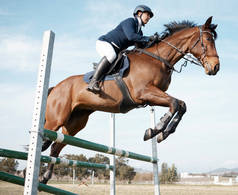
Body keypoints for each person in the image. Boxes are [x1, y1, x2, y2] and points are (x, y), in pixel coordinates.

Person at [87, 5, 155, 93]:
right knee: (111, 55)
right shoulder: (130, 21)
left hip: (116, 49)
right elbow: (131, 36)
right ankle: (93, 82)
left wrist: (154, 41)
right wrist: (148, 38)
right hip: (105, 43)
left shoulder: (140, 31)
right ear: (139, 13)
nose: (149, 17)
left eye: (150, 16)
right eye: (148, 14)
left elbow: (140, 47)